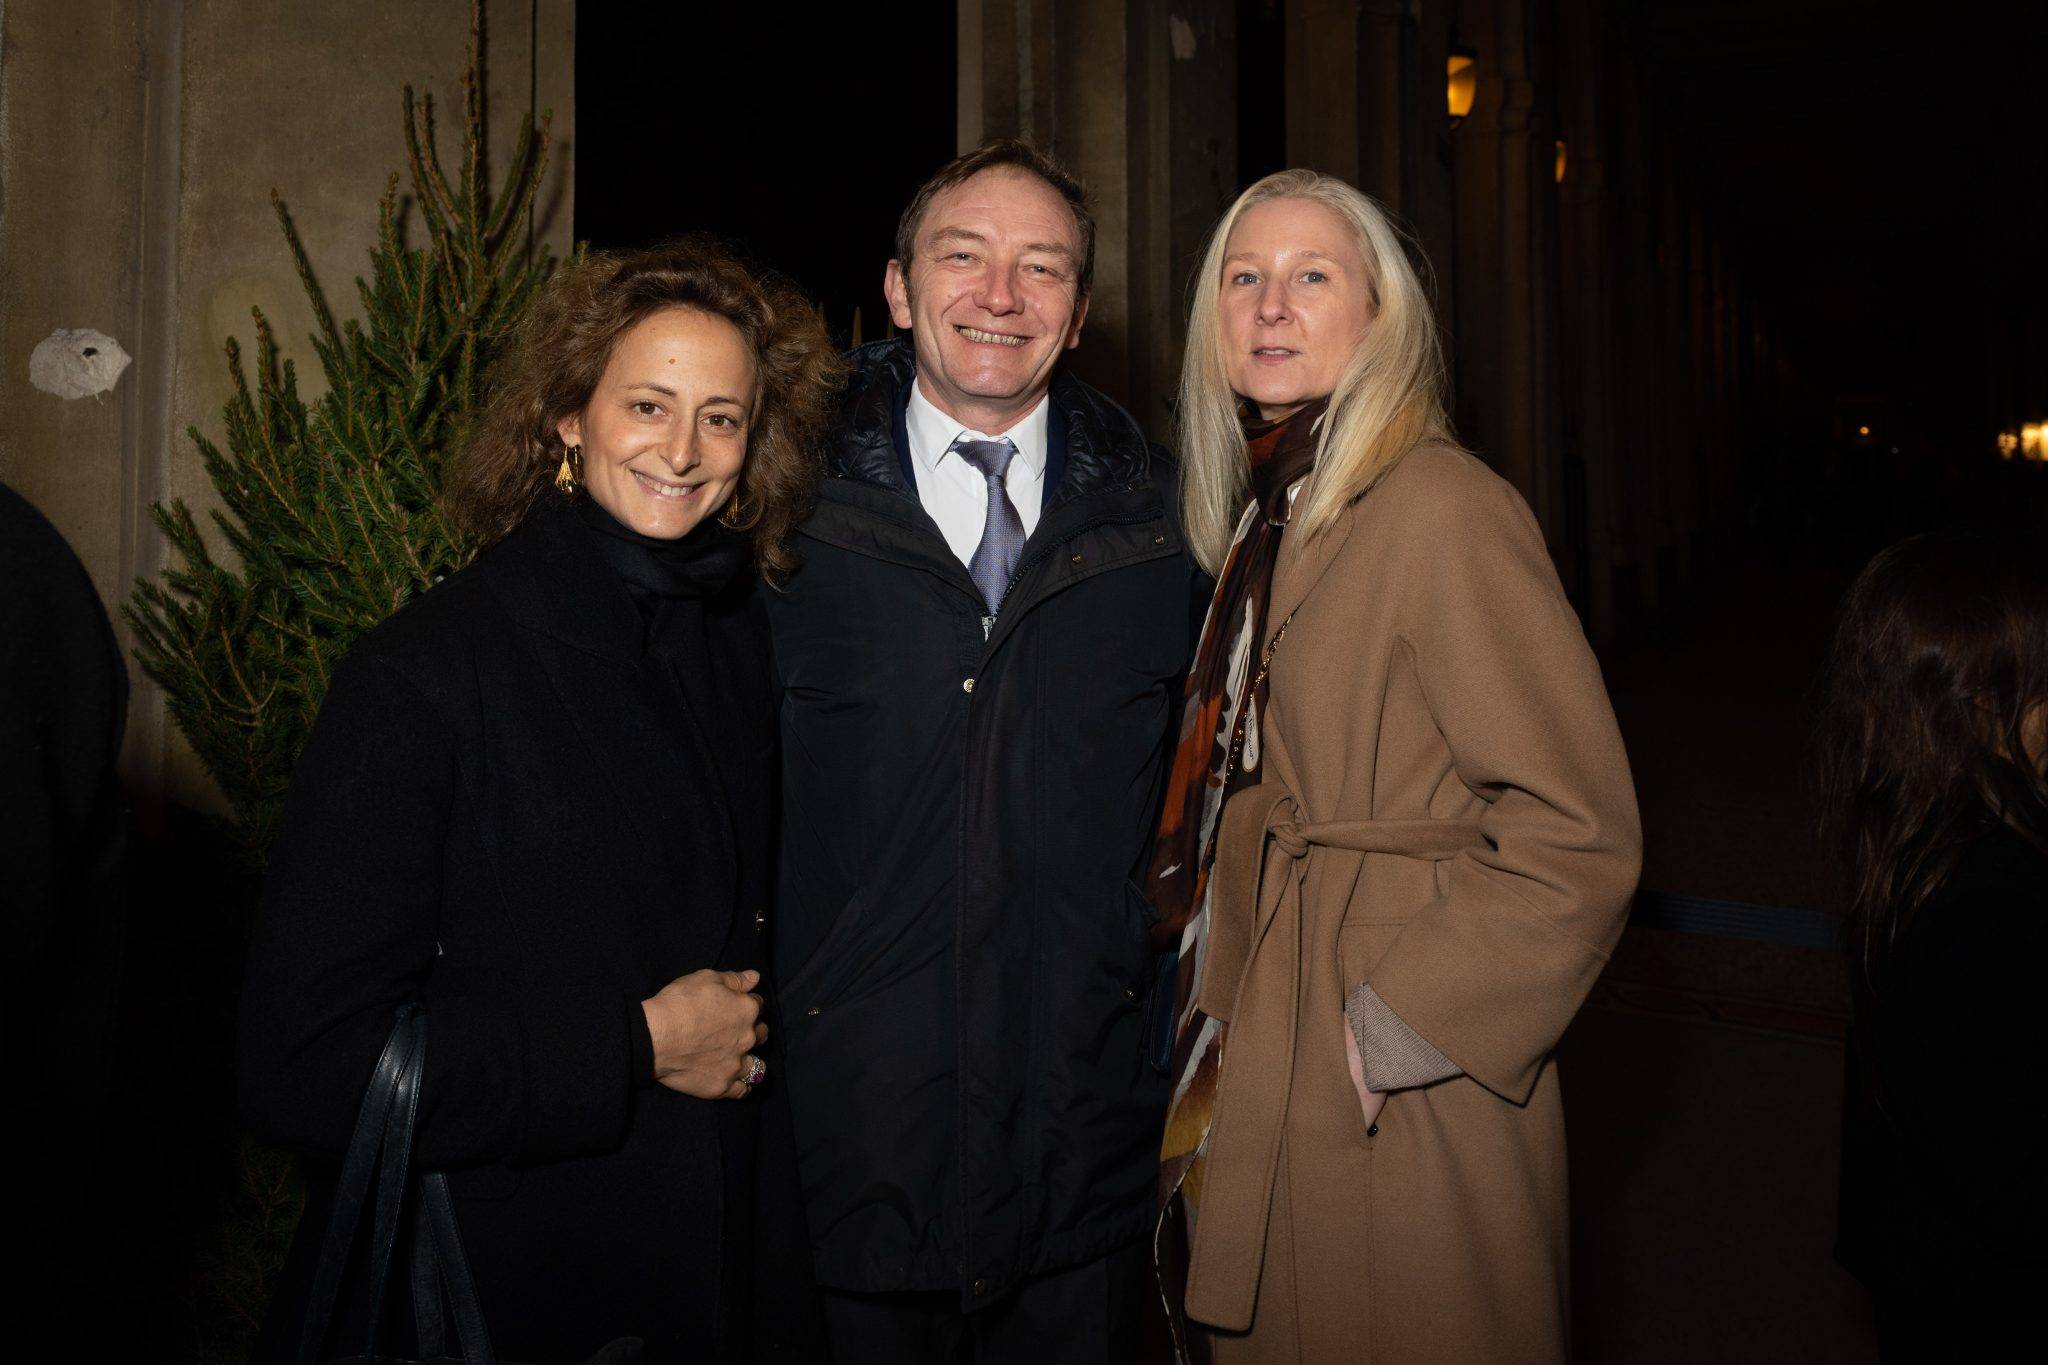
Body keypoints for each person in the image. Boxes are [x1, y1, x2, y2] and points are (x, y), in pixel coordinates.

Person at [238, 240, 841, 1363]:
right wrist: (632, 1044)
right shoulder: (425, 673)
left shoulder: (731, 640)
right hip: (503, 1289)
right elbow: (303, 1067)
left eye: (720, 417)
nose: (681, 450)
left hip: (710, 1280)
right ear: (568, 415)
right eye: (647, 405)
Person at [1150, 170, 1642, 1363]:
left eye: (1310, 276)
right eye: (1242, 277)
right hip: (1274, 1014)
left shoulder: (1439, 506)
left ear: (1379, 316)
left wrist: (1388, 1039)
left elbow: (1577, 833)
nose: (1270, 305)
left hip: (1385, 1055)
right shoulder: (1276, 509)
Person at [763, 138, 1205, 1361]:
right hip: (849, 1136)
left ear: (1078, 311)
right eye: (962, 257)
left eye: (1041, 267)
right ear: (898, 290)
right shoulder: (776, 506)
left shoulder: (1168, 523)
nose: (1000, 296)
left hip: (1079, 1138)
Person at [1824, 530, 2048, 1361]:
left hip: (1928, 1254)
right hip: (1981, 1294)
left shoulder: (1917, 832)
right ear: (1984, 709)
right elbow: (2009, 1170)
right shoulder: (1992, 899)